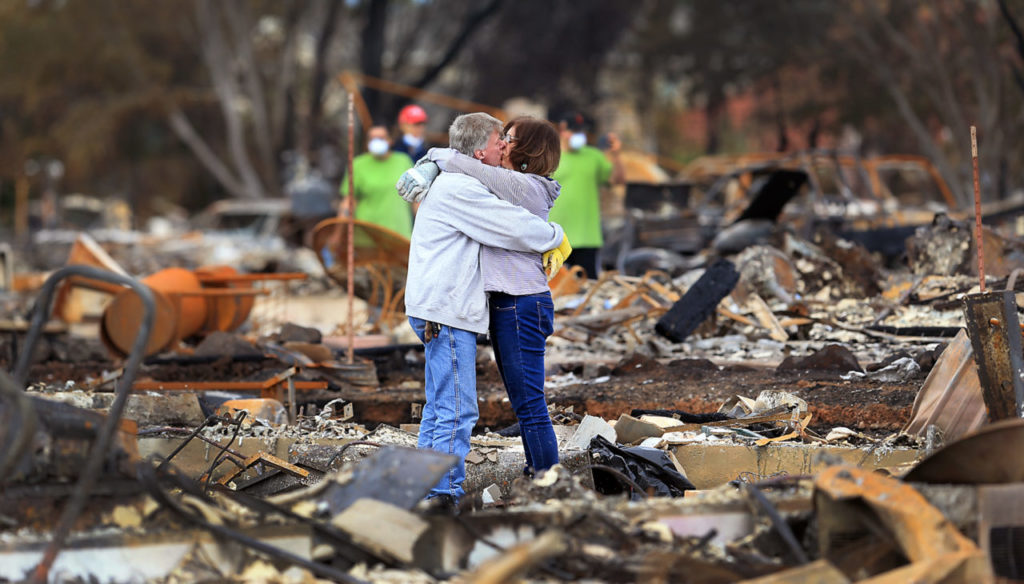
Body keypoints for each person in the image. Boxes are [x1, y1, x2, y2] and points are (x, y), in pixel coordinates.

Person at [397, 113, 570, 509]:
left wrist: (429, 162)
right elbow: (511, 226)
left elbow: (508, 215)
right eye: (500, 141)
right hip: (447, 310)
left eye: (510, 141)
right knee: (456, 407)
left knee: (446, 405)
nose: (503, 147)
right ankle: (441, 494)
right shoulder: (463, 190)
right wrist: (557, 236)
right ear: (480, 151)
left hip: (461, 307)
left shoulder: (503, 185)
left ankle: (428, 489)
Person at [548, 112, 625, 278]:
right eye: (574, 131)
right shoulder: (550, 156)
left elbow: (618, 180)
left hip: (586, 237)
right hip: (554, 236)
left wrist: (616, 155)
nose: (579, 136)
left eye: (581, 131)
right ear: (563, 130)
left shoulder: (594, 156)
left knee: (587, 289)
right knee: (553, 290)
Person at [339, 124, 414, 238]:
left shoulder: (403, 161)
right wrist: (338, 234)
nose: (377, 142)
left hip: (399, 236)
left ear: (390, 140)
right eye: (372, 139)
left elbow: (416, 200)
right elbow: (349, 202)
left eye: (381, 138)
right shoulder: (358, 165)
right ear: (367, 143)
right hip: (367, 236)